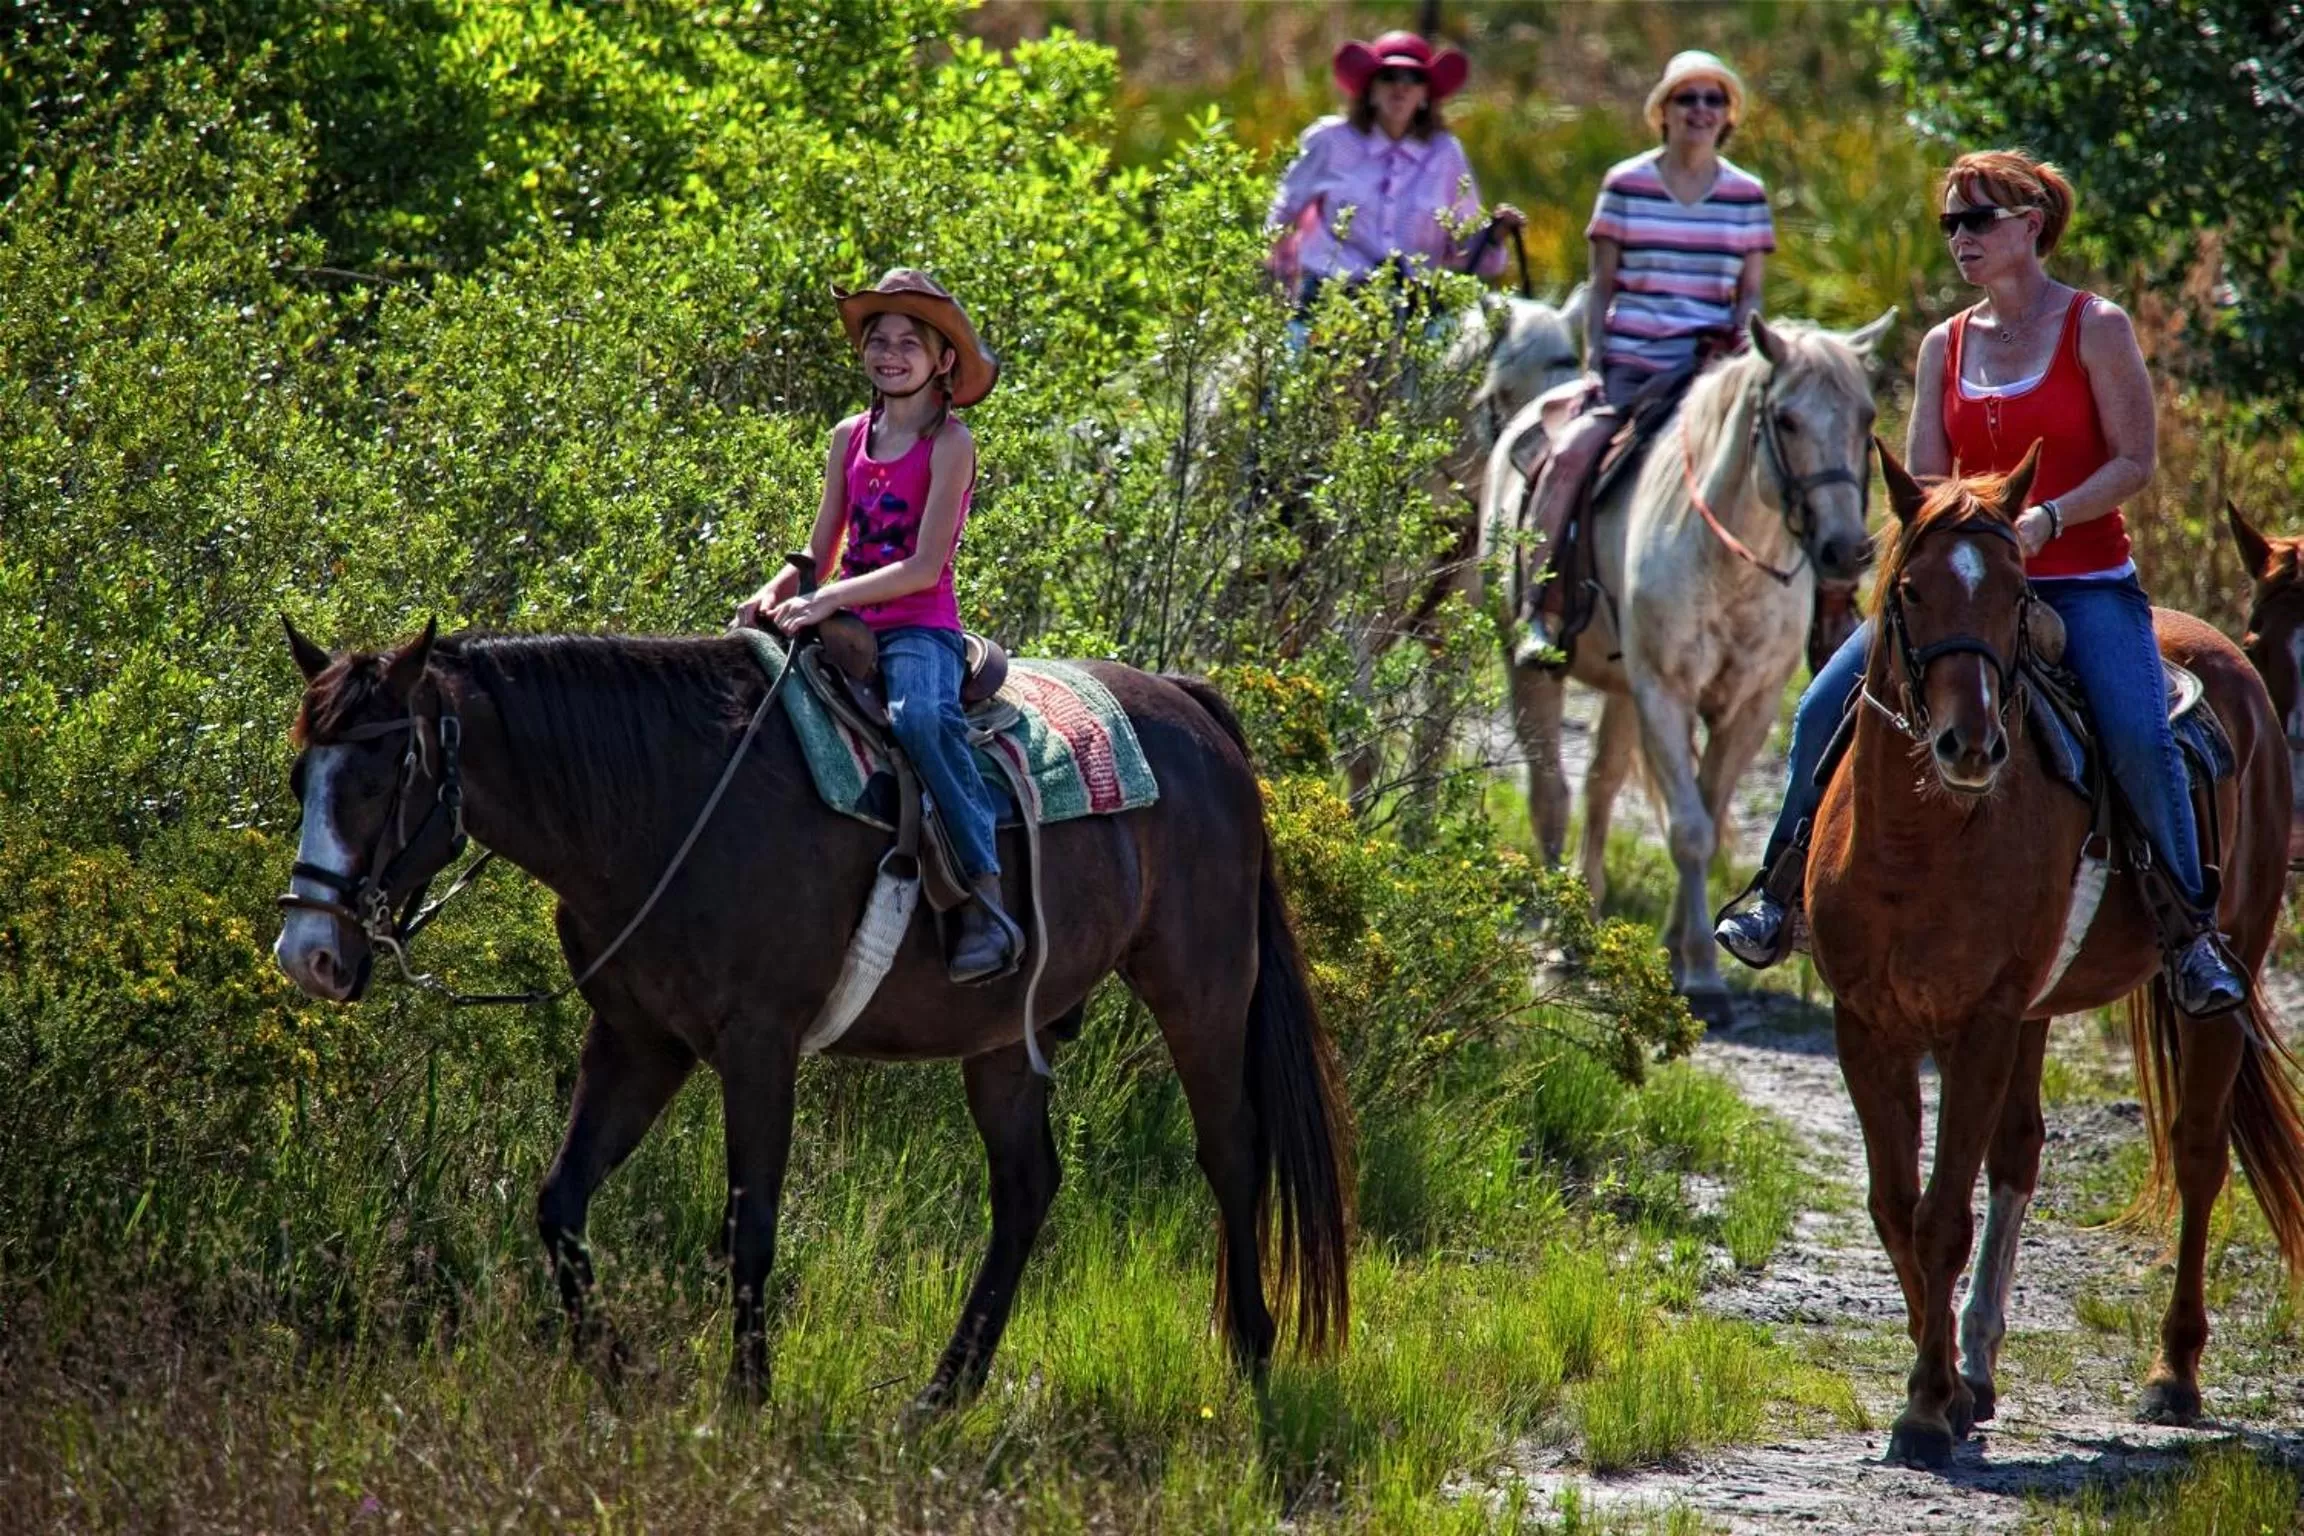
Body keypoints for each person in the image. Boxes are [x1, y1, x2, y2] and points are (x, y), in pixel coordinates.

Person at [1712, 150, 2248, 1017]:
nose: (1959, 238)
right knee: (1819, 708)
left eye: (1976, 221)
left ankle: (2190, 935)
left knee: (2139, 738)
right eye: (1948, 224)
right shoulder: (1944, 344)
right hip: (1964, 589)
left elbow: (2135, 461)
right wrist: (1946, 540)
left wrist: (2047, 520)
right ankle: (1778, 894)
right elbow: (1926, 479)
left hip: (2082, 581)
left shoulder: (2095, 327)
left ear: (2030, 225)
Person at [734, 269, 1022, 985]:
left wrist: (828, 598)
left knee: (920, 718)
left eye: (907, 344)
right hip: (845, 615)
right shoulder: (849, 437)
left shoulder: (950, 444)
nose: (889, 355)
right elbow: (821, 548)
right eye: (878, 341)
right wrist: (770, 594)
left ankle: (984, 893)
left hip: (918, 626)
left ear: (943, 360)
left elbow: (925, 567)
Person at [1516, 50, 1775, 665]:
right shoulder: (1625, 185)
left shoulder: (1747, 195)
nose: (1701, 111)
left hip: (1712, 374)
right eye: (1688, 99)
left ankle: (1810, 617)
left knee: (1793, 459)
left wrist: (1744, 348)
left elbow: (1751, 294)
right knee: (1570, 456)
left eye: (1713, 100)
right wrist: (1596, 365)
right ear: (1664, 111)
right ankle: (1541, 608)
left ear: (1728, 115)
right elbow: (1601, 286)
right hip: (1634, 368)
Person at [1265, 29, 1524, 319]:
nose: (1401, 87)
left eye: (1414, 79)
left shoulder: (1445, 153)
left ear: (1425, 95)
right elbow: (1283, 213)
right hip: (1329, 302)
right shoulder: (1329, 141)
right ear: (1370, 90)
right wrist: (1277, 284)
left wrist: (1493, 235)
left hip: (1413, 311)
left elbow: (1467, 245)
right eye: (1389, 77)